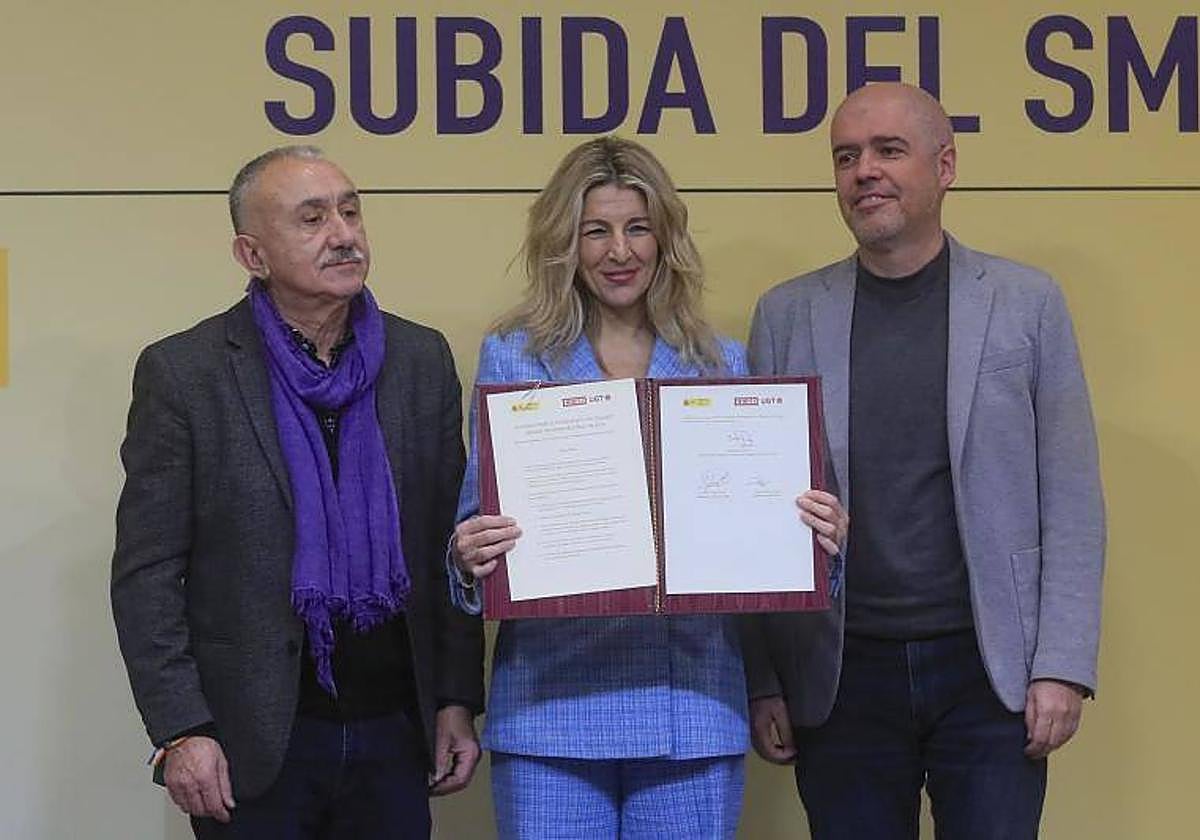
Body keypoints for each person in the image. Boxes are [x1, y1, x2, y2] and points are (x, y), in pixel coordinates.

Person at [741, 82, 1106, 839]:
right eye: (846, 157)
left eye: (887, 150)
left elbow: (1070, 498)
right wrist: (765, 680)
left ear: (945, 166)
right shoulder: (786, 314)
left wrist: (1060, 665)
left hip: (990, 669)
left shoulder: (1026, 303)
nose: (863, 171)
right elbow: (753, 515)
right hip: (840, 674)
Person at [110, 145, 484, 839]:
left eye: (349, 211)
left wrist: (456, 699)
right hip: (254, 742)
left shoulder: (420, 359)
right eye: (311, 219)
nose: (343, 234)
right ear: (253, 255)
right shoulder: (186, 374)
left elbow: (446, 547)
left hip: (395, 732)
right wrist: (181, 728)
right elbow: (147, 575)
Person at [449, 136, 748, 839]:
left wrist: (808, 540)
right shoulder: (513, 356)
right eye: (597, 231)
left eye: (637, 228)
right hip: (550, 707)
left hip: (694, 708)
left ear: (665, 238)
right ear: (565, 243)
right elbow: (472, 523)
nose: (620, 251)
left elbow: (750, 546)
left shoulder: (721, 363)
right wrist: (468, 555)